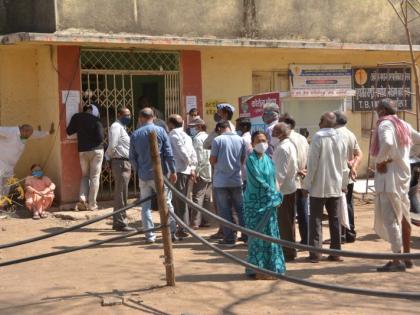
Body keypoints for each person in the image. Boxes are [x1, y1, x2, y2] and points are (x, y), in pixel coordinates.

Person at [371, 99, 420, 272]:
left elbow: (388, 143)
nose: (376, 111)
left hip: (388, 178)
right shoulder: (403, 124)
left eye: (377, 109)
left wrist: (381, 160)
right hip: (403, 177)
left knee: (391, 220)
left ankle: (396, 259)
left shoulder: (385, 125)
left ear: (383, 110)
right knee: (404, 216)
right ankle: (407, 258)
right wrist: (406, 157)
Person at [303, 112, 348, 263]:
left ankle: (316, 254)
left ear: (322, 121)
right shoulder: (340, 138)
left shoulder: (318, 137)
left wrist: (306, 185)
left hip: (318, 187)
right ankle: (336, 252)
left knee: (315, 219)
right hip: (335, 185)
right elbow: (344, 165)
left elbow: (312, 165)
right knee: (334, 219)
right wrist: (344, 184)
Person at [129, 108, 177, 243]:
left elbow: (132, 157)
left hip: (143, 175)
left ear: (140, 118)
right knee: (167, 203)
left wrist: (139, 169)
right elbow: (169, 153)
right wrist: (172, 171)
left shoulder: (135, 134)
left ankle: (150, 236)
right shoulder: (161, 131)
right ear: (153, 117)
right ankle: (171, 231)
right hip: (160, 174)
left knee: (145, 206)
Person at [244, 131, 285, 279]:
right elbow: (257, 181)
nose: (262, 143)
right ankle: (258, 270)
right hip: (255, 205)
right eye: (258, 140)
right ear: (253, 144)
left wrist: (278, 193)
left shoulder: (268, 159)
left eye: (264, 140)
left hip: (270, 204)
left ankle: (272, 268)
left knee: (271, 235)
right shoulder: (251, 160)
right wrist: (274, 194)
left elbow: (274, 179)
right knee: (257, 237)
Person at [210, 121, 246, 246]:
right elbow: (242, 159)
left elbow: (212, 160)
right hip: (236, 179)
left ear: (220, 128)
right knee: (240, 209)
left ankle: (229, 238)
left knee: (224, 210)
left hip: (221, 181)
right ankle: (246, 236)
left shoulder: (217, 140)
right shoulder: (241, 140)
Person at [0, 124, 53, 206]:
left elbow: (36, 134)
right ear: (24, 131)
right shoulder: (11, 131)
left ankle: (3, 204)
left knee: (7, 185)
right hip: (1, 161)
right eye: (29, 134)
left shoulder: (26, 135)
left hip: (10, 165)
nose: (30, 136)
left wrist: (48, 133)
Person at [67, 104, 105, 211]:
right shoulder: (96, 120)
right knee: (94, 177)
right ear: (95, 111)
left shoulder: (76, 117)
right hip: (96, 151)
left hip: (82, 151)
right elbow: (100, 138)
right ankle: (92, 204)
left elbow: (69, 131)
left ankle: (82, 198)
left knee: (84, 175)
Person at [279, 113, 310, 244]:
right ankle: (306, 240)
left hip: (291, 181)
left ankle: (289, 243)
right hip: (302, 179)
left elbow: (290, 161)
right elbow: (308, 158)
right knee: (303, 212)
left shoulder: (287, 140)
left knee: (289, 214)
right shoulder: (302, 138)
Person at [334, 111, 363, 243]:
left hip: (337, 175)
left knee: (337, 205)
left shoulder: (335, 134)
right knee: (349, 203)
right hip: (348, 175)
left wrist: (351, 165)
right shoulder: (350, 134)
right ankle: (350, 232)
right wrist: (354, 166)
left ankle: (341, 234)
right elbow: (359, 153)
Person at [168, 114, 197, 237]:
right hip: (186, 171)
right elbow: (193, 153)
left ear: (170, 124)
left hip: (179, 171)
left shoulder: (174, 134)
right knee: (182, 200)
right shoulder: (186, 135)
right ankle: (183, 227)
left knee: (178, 201)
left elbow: (183, 152)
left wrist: (189, 163)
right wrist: (193, 167)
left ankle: (183, 228)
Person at [272, 122, 298, 261]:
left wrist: (274, 192)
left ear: (280, 134)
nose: (272, 135)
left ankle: (288, 252)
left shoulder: (283, 148)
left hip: (283, 190)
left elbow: (279, 174)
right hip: (288, 188)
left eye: (274, 133)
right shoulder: (287, 145)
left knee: (285, 223)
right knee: (288, 222)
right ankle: (289, 250)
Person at [106, 107, 134, 232]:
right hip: (120, 162)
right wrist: (109, 157)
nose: (128, 117)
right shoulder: (116, 126)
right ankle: (120, 223)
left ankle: (119, 221)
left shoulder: (122, 127)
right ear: (119, 114)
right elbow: (113, 145)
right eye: (125, 114)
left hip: (124, 162)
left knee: (123, 193)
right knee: (121, 194)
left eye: (129, 114)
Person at [189, 117, 213, 229]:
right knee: (207, 197)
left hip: (202, 171)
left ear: (198, 126)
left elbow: (199, 157)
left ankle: (195, 222)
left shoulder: (197, 139)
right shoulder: (209, 137)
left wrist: (196, 171)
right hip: (210, 171)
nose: (191, 129)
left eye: (192, 127)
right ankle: (206, 220)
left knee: (197, 197)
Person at [236, 118, 253, 191]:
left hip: (244, 175)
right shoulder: (250, 138)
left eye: (238, 127)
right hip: (248, 174)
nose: (236, 129)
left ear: (245, 127)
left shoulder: (243, 140)